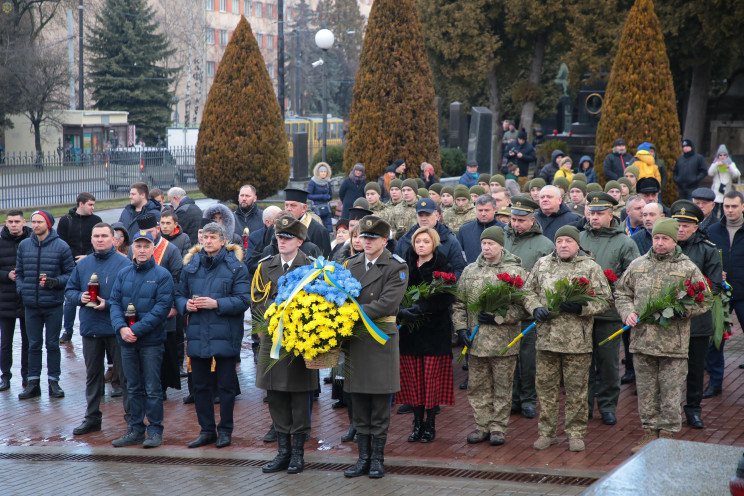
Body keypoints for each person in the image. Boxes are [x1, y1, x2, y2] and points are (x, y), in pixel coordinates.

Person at [614, 218, 707, 452]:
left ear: (674, 241)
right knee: (646, 392)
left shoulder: (687, 267)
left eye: (665, 238)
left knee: (670, 393)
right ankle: (648, 433)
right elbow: (622, 293)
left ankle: (667, 436)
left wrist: (682, 311)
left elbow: (704, 299)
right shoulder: (637, 265)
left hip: (672, 345)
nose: (660, 242)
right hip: (642, 341)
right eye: (656, 238)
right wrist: (628, 313)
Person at [523, 225, 612, 452]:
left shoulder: (590, 267)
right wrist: (534, 308)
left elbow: (605, 300)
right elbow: (527, 292)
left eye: (568, 241)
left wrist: (582, 307)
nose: (563, 245)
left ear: (577, 244)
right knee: (545, 389)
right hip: (547, 339)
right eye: (560, 241)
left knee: (577, 390)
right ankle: (547, 433)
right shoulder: (542, 264)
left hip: (577, 343)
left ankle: (575, 433)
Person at [343, 216, 408, 479]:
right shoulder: (349, 264)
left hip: (380, 337)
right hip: (357, 339)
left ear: (385, 240)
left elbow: (387, 304)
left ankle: (377, 459)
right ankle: (362, 458)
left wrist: (347, 313)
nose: (366, 242)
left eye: (372, 239)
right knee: (358, 401)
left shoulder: (396, 267)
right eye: (363, 238)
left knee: (379, 404)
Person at [253, 215, 318, 474]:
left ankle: (298, 454)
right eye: (279, 237)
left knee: (299, 399)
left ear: (300, 241)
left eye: (288, 237)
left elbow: (319, 305)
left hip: (300, 343)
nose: (282, 242)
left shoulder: (311, 266)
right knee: (276, 397)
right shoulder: (265, 266)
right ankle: (283, 452)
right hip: (273, 341)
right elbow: (257, 301)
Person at [177, 222, 250, 449]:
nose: (207, 241)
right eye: (204, 237)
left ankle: (225, 430)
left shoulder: (236, 267)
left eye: (212, 238)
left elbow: (243, 300)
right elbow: (178, 295)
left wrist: (216, 303)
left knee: (226, 386)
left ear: (222, 241)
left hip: (225, 334)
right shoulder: (191, 265)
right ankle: (206, 430)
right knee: (200, 386)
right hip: (198, 333)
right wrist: (185, 305)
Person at [454, 226, 528, 446]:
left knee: (503, 387)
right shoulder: (470, 271)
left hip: (503, 342)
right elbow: (459, 304)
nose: (486, 248)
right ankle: (482, 425)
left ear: (500, 245)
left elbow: (524, 307)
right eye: (484, 244)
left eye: (491, 244)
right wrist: (461, 329)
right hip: (476, 343)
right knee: (478, 387)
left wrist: (499, 317)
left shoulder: (515, 272)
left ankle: (498, 427)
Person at [580, 192, 640, 426]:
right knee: (582, 363)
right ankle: (583, 406)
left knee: (607, 363)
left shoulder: (624, 242)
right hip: (581, 314)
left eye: (599, 214)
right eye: (592, 213)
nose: (594, 218)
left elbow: (632, 278)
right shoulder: (579, 237)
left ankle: (607, 406)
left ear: (610, 214)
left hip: (609, 314)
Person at [109, 231, 173, 448]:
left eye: (147, 246)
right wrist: (121, 328)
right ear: (132, 248)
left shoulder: (163, 275)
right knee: (132, 386)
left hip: (151, 342)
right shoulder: (123, 273)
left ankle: (155, 430)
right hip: (126, 340)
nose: (142, 250)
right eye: (139, 246)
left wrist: (137, 330)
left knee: (152, 387)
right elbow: (114, 303)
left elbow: (161, 309)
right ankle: (135, 428)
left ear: (153, 248)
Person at [67, 223, 132, 436]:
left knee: (125, 376)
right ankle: (92, 418)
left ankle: (132, 419)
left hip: (116, 328)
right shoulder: (83, 265)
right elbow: (70, 290)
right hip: (91, 328)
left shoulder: (124, 264)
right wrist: (80, 297)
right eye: (96, 236)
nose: (100, 239)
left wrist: (111, 304)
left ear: (114, 239)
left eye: (104, 236)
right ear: (92, 239)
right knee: (93, 376)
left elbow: (131, 297)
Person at [395, 227, 455, 443]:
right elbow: (396, 291)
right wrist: (403, 309)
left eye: (426, 241)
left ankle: (430, 424)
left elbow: (446, 297)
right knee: (413, 380)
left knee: (431, 380)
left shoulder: (443, 266)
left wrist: (423, 307)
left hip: (434, 332)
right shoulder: (404, 265)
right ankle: (417, 422)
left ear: (434, 244)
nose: (421, 245)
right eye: (418, 241)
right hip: (410, 333)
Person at [671, 200, 722, 429]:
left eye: (686, 225)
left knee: (694, 370)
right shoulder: (664, 248)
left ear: (696, 226)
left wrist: (690, 302)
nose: (681, 229)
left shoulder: (707, 249)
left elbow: (714, 286)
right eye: (677, 224)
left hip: (696, 322)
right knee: (669, 369)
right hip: (668, 321)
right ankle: (669, 410)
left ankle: (693, 409)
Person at [503, 196, 554, 419]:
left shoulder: (545, 244)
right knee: (507, 358)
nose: (516, 224)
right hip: (504, 312)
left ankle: (528, 399)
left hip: (530, 312)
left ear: (532, 220)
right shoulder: (502, 238)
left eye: (521, 220)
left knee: (529, 359)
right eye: (513, 219)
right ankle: (512, 399)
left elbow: (549, 277)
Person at [15, 210, 75, 400]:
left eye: (40, 222)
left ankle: (53, 382)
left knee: (52, 344)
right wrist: (22, 289)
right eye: (33, 222)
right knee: (33, 344)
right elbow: (20, 272)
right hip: (31, 304)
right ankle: (33, 383)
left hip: (53, 304)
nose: (35, 225)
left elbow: (70, 273)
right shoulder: (24, 245)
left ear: (48, 224)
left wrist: (55, 282)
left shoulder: (61, 246)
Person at [134, 214, 183, 400]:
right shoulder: (137, 247)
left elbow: (178, 279)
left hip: (164, 309)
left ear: (157, 229)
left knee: (164, 351)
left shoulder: (171, 250)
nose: (147, 236)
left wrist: (173, 305)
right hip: (141, 310)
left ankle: (161, 388)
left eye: (150, 232)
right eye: (143, 233)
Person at [705, 191, 744, 398]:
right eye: (727, 206)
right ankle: (715, 382)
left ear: (742, 207)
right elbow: (706, 257)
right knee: (716, 338)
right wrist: (714, 272)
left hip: (743, 291)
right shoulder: (713, 231)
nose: (729, 210)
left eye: (734, 206)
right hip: (720, 293)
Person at [57, 192, 102, 343]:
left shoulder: (96, 220)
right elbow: (62, 243)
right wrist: (76, 257)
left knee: (93, 294)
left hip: (92, 261)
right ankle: (67, 331)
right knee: (70, 299)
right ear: (81, 204)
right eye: (90, 204)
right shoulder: (66, 220)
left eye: (93, 204)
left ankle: (93, 327)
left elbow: (98, 241)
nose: (93, 208)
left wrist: (88, 256)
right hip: (72, 263)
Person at [394, 198, 466, 279]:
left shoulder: (449, 240)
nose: (424, 219)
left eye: (428, 215)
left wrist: (446, 286)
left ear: (437, 216)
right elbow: (397, 268)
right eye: (421, 215)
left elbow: (459, 269)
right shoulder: (405, 240)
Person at [0, 210, 31, 392]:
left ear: (23, 222)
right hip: (5, 298)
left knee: (29, 341)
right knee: (5, 342)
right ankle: (5, 376)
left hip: (26, 298)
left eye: (17, 221)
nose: (13, 224)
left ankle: (27, 377)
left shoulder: (31, 241)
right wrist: (6, 275)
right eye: (10, 221)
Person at [283, 188, 332, 257]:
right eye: (286, 205)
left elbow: (325, 260)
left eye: (293, 205)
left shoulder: (318, 231)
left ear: (304, 208)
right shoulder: (278, 226)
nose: (288, 209)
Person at [457, 195, 504, 264]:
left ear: (495, 209)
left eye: (487, 210)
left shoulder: (504, 230)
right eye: (480, 210)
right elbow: (458, 255)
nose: (483, 214)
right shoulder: (465, 230)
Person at [708, 145, 740, 214]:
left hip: (726, 190)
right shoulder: (715, 163)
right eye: (720, 155)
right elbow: (710, 173)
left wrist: (729, 167)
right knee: (714, 210)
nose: (722, 156)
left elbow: (737, 174)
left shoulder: (731, 163)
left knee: (724, 210)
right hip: (716, 190)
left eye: (724, 155)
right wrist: (716, 165)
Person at [308, 162, 334, 232]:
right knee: (317, 228)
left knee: (328, 228)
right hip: (316, 208)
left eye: (325, 171)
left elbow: (331, 196)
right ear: (318, 172)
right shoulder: (313, 182)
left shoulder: (328, 182)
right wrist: (322, 196)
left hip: (326, 208)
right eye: (321, 171)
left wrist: (328, 197)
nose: (323, 173)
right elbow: (309, 195)